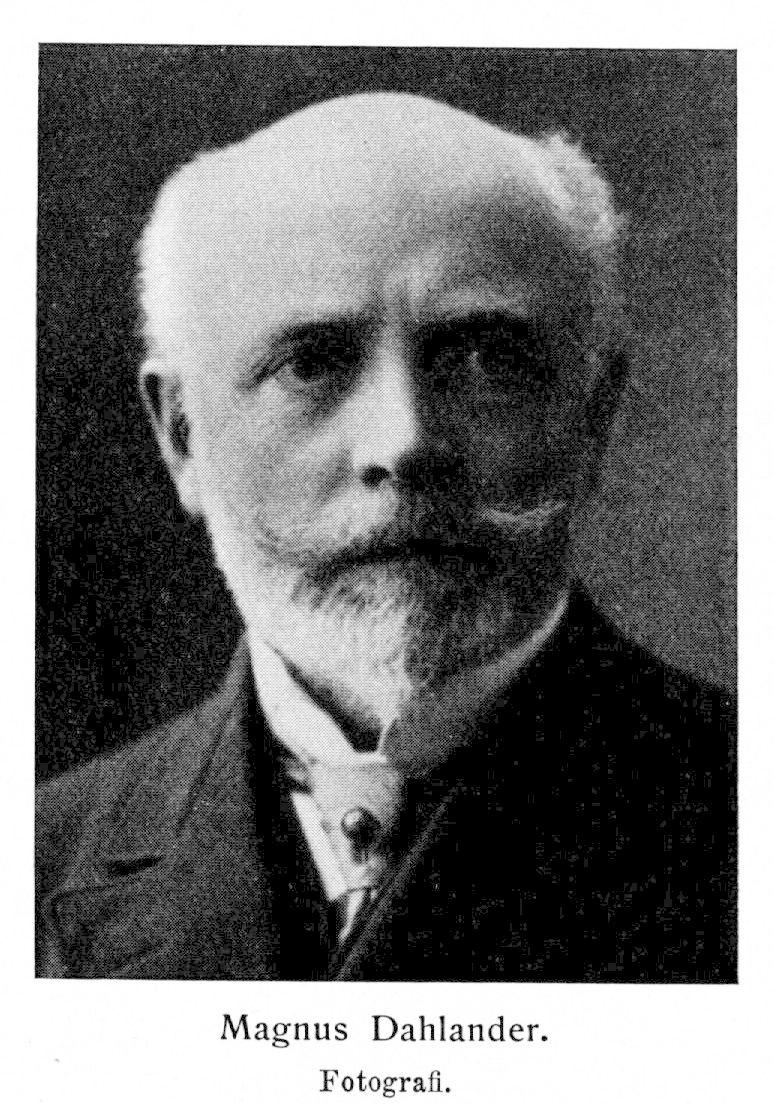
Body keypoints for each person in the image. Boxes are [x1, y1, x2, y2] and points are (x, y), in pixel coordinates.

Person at [36, 92, 735, 981]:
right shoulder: (40, 861)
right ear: (182, 436)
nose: (403, 443)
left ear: (593, 417)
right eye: (311, 363)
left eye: (484, 358)